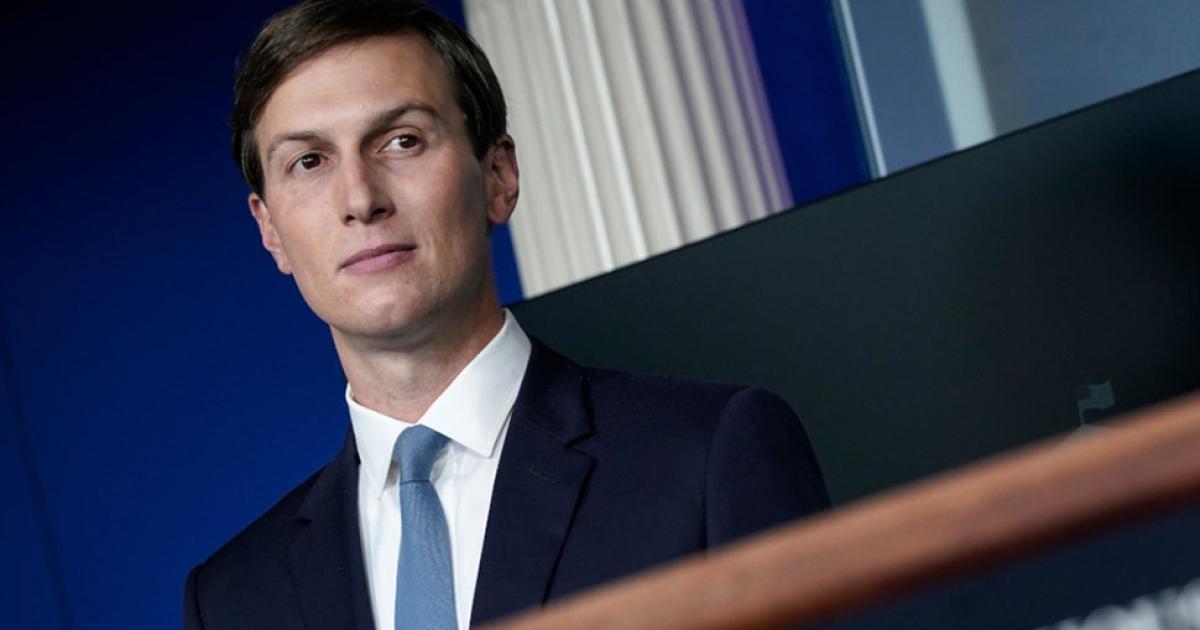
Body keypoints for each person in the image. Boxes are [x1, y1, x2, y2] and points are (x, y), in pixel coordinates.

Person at [183, 1, 830, 628]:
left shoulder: (708, 458)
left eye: (402, 141)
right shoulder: (232, 602)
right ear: (270, 231)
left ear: (498, 175)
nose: (360, 198)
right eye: (308, 162)